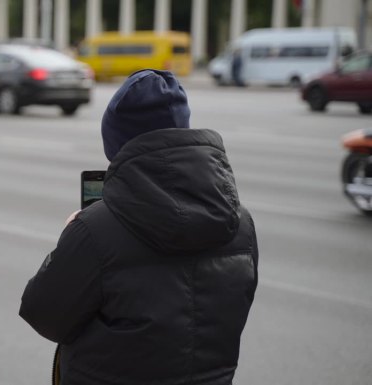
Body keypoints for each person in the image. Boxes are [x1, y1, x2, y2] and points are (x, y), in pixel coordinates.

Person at [19, 70, 258, 385]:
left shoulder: (95, 230)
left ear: (119, 146)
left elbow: (45, 316)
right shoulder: (240, 222)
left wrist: (71, 237)